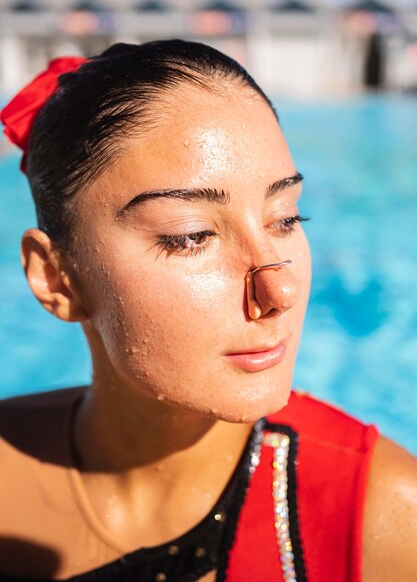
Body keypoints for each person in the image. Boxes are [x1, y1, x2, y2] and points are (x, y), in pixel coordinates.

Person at [0, 40, 416, 582]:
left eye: (286, 218)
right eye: (191, 236)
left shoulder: (380, 512)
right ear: (58, 278)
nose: (280, 291)